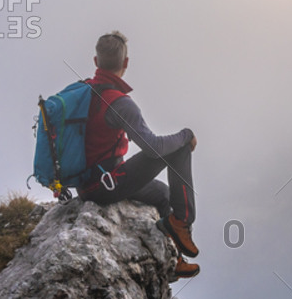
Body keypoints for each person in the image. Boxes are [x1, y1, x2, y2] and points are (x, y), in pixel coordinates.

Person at [75, 31, 201, 279]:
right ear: (126, 63)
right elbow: (152, 148)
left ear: (95, 61)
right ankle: (183, 221)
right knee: (178, 148)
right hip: (105, 186)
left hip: (86, 183)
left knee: (164, 194)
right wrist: (186, 135)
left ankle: (174, 259)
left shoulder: (82, 93)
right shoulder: (119, 103)